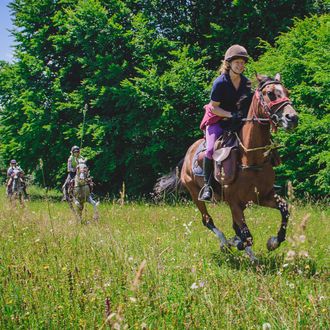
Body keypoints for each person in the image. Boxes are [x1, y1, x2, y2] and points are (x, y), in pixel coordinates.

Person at [199, 44, 252, 201]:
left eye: (243, 63)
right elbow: (214, 108)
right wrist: (230, 114)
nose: (241, 66)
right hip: (217, 120)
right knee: (209, 150)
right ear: (229, 64)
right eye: (237, 62)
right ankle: (207, 186)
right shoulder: (220, 82)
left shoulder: (246, 83)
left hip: (236, 121)